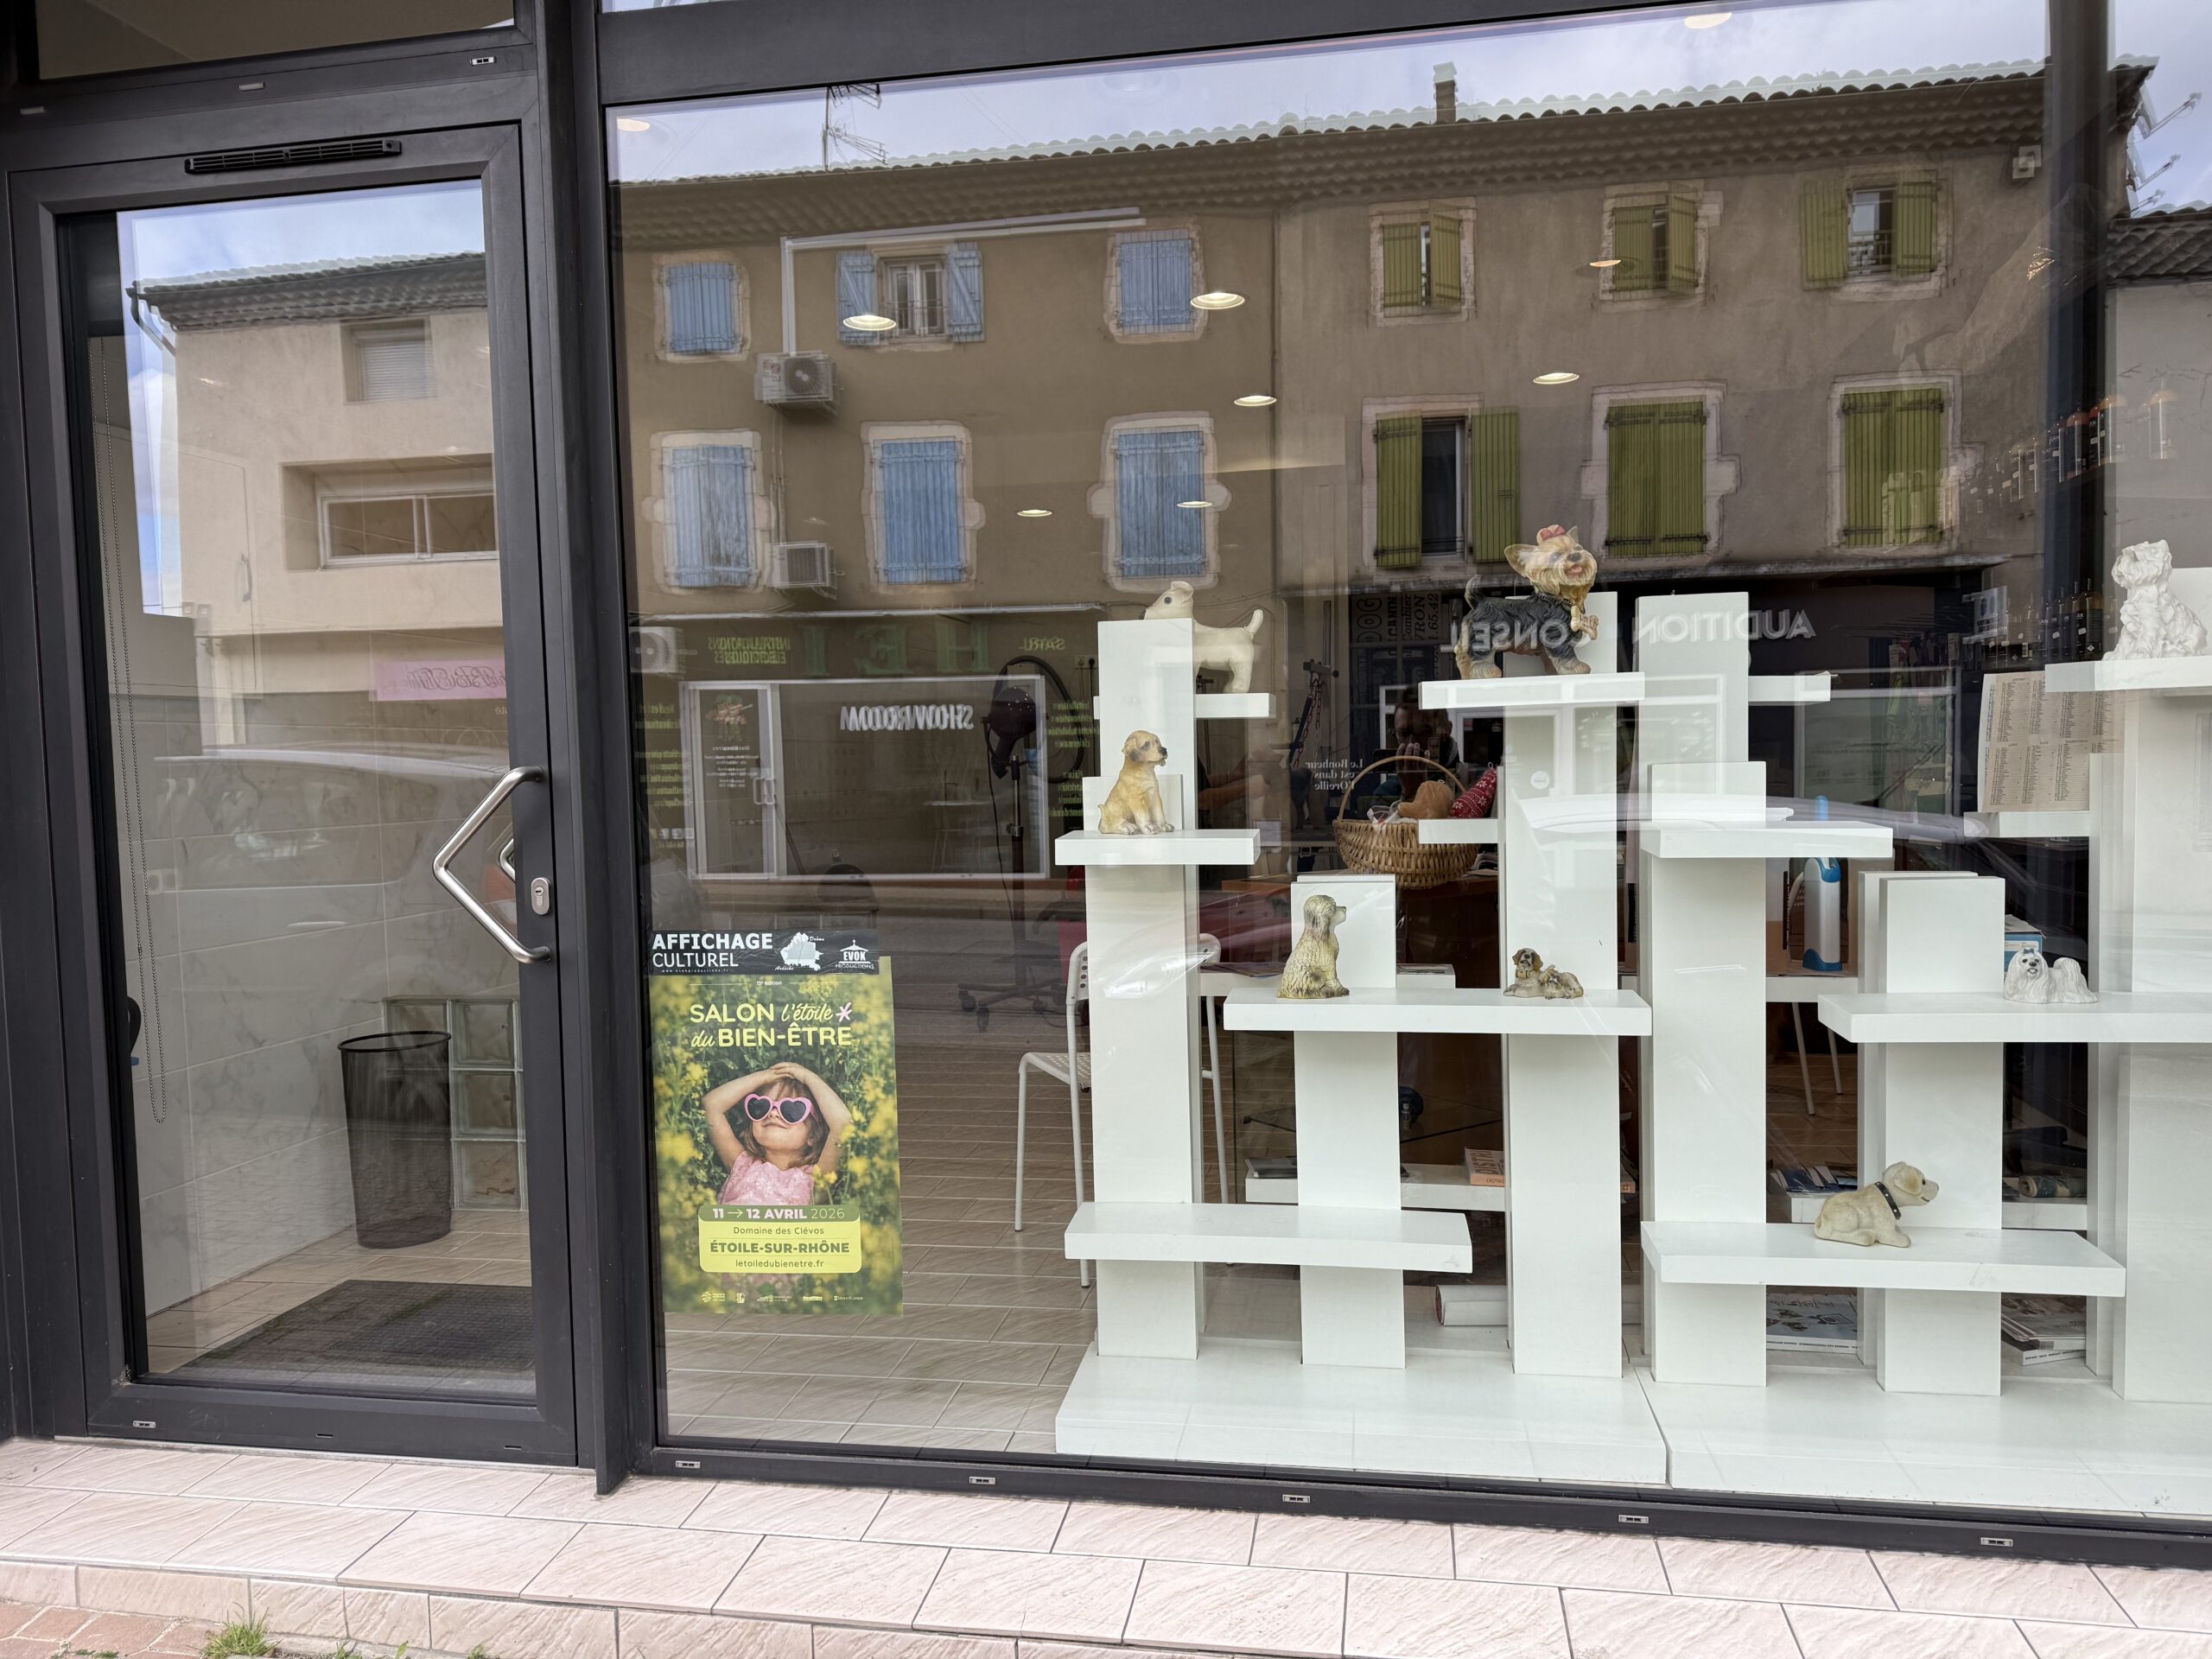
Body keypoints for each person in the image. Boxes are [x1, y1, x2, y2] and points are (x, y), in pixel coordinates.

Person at [702, 1060, 853, 1205]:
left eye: (791, 1109)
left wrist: (809, 1078)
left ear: (813, 1135)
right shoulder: (742, 1165)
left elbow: (843, 1125)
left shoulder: (814, 1179)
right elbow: (711, 1105)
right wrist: (765, 1076)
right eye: (762, 1106)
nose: (773, 1113)